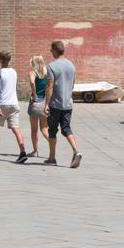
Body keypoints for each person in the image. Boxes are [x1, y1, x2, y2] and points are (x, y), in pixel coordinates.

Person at [44, 40, 81, 168]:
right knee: (66, 128)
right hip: (68, 104)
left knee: (52, 130)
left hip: (55, 104)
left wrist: (46, 104)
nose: (50, 52)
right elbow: (73, 84)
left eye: (51, 50)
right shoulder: (71, 65)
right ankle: (76, 151)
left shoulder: (51, 66)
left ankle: (52, 157)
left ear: (54, 50)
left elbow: (50, 86)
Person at [0, 52, 28, 164]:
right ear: (9, 60)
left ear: (0, 60)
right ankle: (23, 152)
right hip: (14, 103)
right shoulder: (14, 72)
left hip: (3, 103)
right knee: (16, 128)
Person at [27, 54, 50, 157]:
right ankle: (52, 145)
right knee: (44, 128)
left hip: (36, 102)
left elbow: (32, 82)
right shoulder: (47, 72)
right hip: (45, 101)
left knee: (34, 129)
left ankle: (35, 150)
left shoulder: (32, 72)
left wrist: (34, 95)